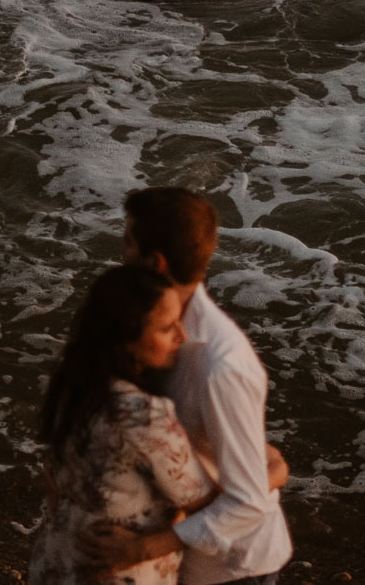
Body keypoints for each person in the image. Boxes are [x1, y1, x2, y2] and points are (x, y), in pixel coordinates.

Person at [86, 187, 293, 585]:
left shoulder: (221, 367)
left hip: (230, 568)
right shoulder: (137, 332)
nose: (121, 254)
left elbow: (247, 501)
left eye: (128, 242)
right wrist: (270, 464)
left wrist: (138, 549)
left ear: (156, 263)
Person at [28, 261, 217, 585]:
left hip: (56, 562)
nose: (182, 336)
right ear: (129, 338)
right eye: (166, 327)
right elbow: (211, 507)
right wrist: (270, 470)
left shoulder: (71, 387)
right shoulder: (143, 413)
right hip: (115, 574)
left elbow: (54, 486)